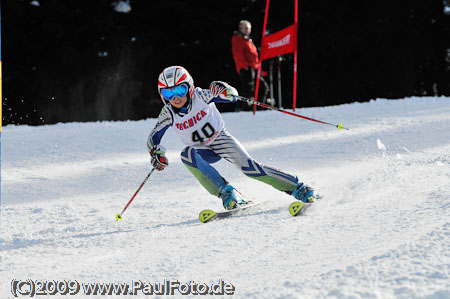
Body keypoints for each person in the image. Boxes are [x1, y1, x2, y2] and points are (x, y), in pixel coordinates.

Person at [147, 66, 316, 210]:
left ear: (190, 87)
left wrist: (224, 89)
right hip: (202, 151)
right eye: (169, 93)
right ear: (162, 96)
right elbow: (153, 139)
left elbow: (231, 95)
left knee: (251, 168)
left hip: (220, 139)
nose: (176, 97)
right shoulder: (167, 114)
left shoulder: (201, 96)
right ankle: (227, 192)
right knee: (187, 154)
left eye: (180, 90)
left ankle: (299, 188)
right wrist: (156, 154)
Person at [231, 20, 270, 110]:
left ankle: (258, 108)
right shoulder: (238, 39)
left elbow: (254, 56)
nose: (247, 30)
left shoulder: (247, 40)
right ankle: (239, 108)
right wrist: (246, 67)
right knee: (248, 90)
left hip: (254, 68)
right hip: (246, 69)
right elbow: (238, 55)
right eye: (246, 28)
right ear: (241, 28)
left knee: (262, 87)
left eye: (248, 28)